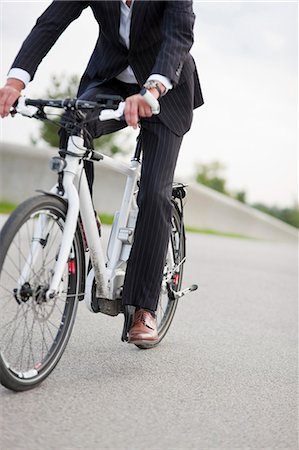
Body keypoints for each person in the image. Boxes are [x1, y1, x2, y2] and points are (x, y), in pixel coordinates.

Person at [0, 0, 203, 345]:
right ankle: (81, 222)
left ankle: (143, 308)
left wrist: (152, 89)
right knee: (73, 126)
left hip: (166, 91)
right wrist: (15, 81)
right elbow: (50, 24)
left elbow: (179, 36)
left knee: (154, 192)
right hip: (110, 80)